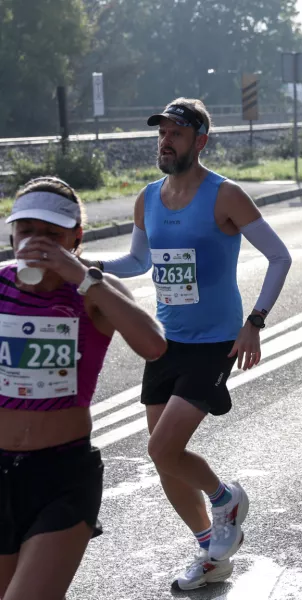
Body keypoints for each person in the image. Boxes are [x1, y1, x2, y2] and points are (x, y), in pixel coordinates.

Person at [90, 99, 293, 589]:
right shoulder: (148, 198)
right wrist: (91, 269)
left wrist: (256, 321)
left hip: (215, 343)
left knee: (162, 447)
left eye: (177, 132)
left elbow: (280, 257)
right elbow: (139, 262)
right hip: (164, 344)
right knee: (163, 462)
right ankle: (210, 552)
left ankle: (226, 500)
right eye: (161, 132)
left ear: (201, 140)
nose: (165, 140)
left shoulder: (225, 195)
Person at [0, 178, 167, 600]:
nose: (39, 244)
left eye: (53, 235)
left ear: (77, 237)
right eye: (27, 232)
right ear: (11, 234)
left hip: (62, 475)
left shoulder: (93, 293)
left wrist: (82, 276)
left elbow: (154, 346)